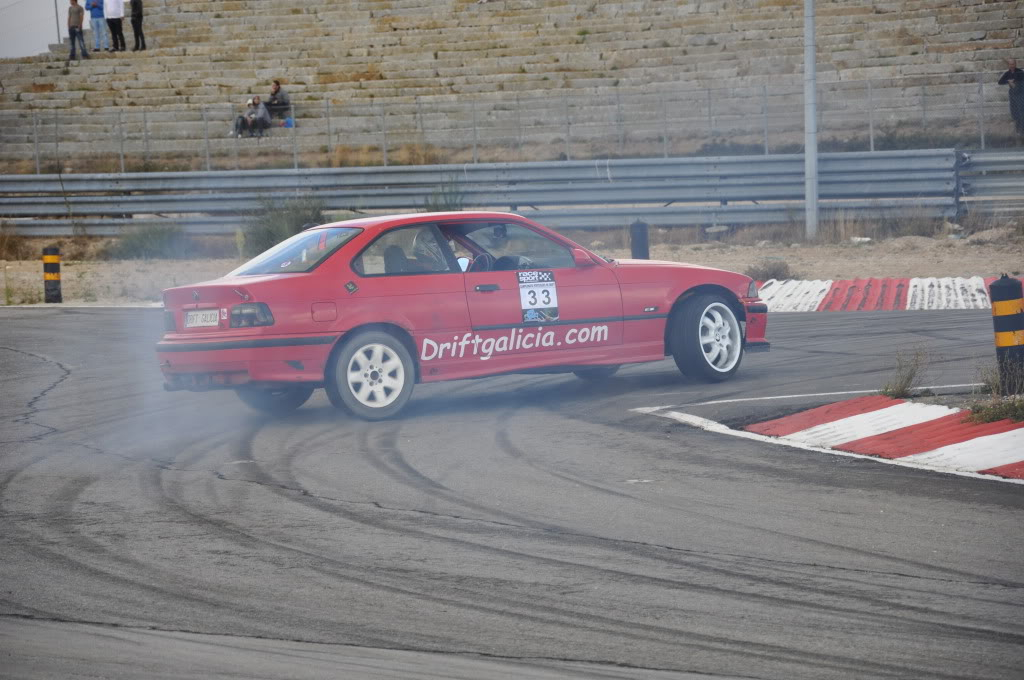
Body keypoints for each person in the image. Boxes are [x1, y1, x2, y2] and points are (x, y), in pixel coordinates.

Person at [998, 58, 1024, 138]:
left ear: (1015, 64)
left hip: (1020, 94)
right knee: (1014, 113)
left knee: (1021, 113)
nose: (1012, 66)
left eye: (1013, 64)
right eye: (1010, 64)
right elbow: (1000, 82)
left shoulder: (1020, 72)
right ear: (1008, 65)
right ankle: (1018, 131)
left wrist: (1015, 82)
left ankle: (1022, 130)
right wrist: (1008, 82)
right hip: (1012, 95)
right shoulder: (1007, 73)